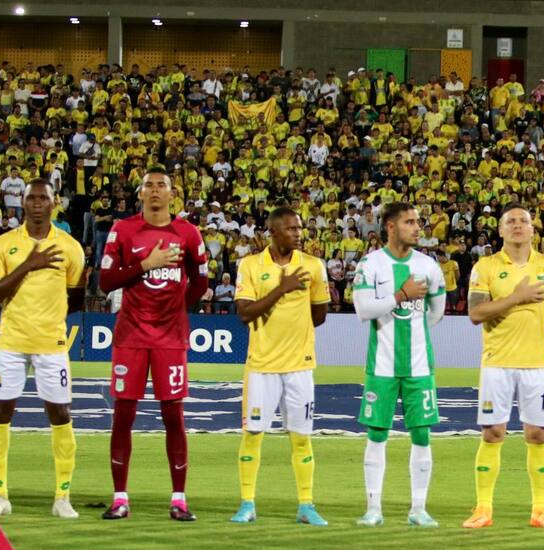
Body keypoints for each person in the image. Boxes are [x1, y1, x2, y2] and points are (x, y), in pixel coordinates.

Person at [97, 165, 209, 521]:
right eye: (149, 185)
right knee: (123, 415)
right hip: (130, 336)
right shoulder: (123, 229)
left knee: (173, 415)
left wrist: (177, 307)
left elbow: (201, 282)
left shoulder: (188, 233)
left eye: (162, 185)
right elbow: (105, 282)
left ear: (172, 194)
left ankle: (178, 498)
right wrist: (147, 264)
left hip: (170, 338)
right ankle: (120, 497)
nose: (156, 190)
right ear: (140, 193)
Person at [463, 204, 544, 530]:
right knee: (493, 433)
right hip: (497, 362)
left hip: (537, 364)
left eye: (523, 220)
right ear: (500, 230)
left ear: (533, 228)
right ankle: (483, 508)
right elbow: (476, 314)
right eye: (510, 221)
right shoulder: (486, 267)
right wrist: (517, 298)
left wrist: (540, 331)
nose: (518, 225)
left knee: (538, 435)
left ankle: (541, 510)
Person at [0, 180, 85, 519]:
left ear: (54, 203)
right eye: (32, 198)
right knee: (0, 414)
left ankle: (62, 497)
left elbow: (76, 297)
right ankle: (0, 495)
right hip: (10, 343)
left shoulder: (70, 247)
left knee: (60, 415)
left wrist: (48, 319)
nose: (38, 203)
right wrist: (29, 264)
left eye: (44, 197)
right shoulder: (4, 244)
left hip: (51, 343)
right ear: (22, 203)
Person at [230, 207, 331, 526]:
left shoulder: (314, 266)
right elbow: (245, 313)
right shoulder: (250, 265)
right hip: (261, 365)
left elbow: (319, 315)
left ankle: (306, 504)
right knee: (253, 434)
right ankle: (247, 503)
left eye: (300, 228)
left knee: (301, 437)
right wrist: (281, 290)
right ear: (273, 232)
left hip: (300, 366)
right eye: (291, 229)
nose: (299, 233)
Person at [350, 202, 446, 527]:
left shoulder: (429, 266)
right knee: (377, 434)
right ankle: (373, 507)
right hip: (382, 366)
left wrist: (413, 331)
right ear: (390, 227)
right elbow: (363, 310)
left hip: (420, 367)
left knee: (422, 434)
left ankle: (418, 508)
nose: (418, 227)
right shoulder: (371, 264)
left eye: (418, 222)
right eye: (409, 222)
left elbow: (436, 312)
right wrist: (401, 296)